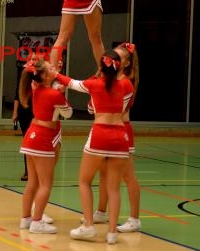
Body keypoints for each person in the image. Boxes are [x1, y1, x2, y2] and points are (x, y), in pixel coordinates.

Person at [54, 50, 133, 245]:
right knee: (114, 188)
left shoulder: (94, 84)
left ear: (101, 67)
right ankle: (112, 233)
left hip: (100, 134)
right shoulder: (126, 85)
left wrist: (54, 73)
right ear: (118, 66)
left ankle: (88, 226)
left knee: (84, 181)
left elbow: (70, 83)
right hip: (120, 137)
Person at [18, 58, 72, 234]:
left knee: (32, 183)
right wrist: (61, 93)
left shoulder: (36, 88)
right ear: (45, 75)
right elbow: (68, 113)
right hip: (43, 139)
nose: (54, 69)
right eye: (51, 68)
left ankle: (26, 219)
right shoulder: (53, 94)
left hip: (31, 136)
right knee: (45, 185)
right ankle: (37, 221)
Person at [92, 42, 142, 233]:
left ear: (127, 63)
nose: (113, 60)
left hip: (121, 130)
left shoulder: (125, 81)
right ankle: (101, 211)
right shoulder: (110, 77)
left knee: (127, 176)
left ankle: (135, 218)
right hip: (107, 129)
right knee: (104, 173)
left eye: (119, 58)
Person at [13, 67, 34, 181]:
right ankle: (28, 171)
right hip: (24, 113)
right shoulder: (23, 81)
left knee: (35, 143)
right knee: (27, 142)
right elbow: (17, 96)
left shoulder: (41, 80)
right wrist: (15, 112)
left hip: (36, 113)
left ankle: (36, 170)